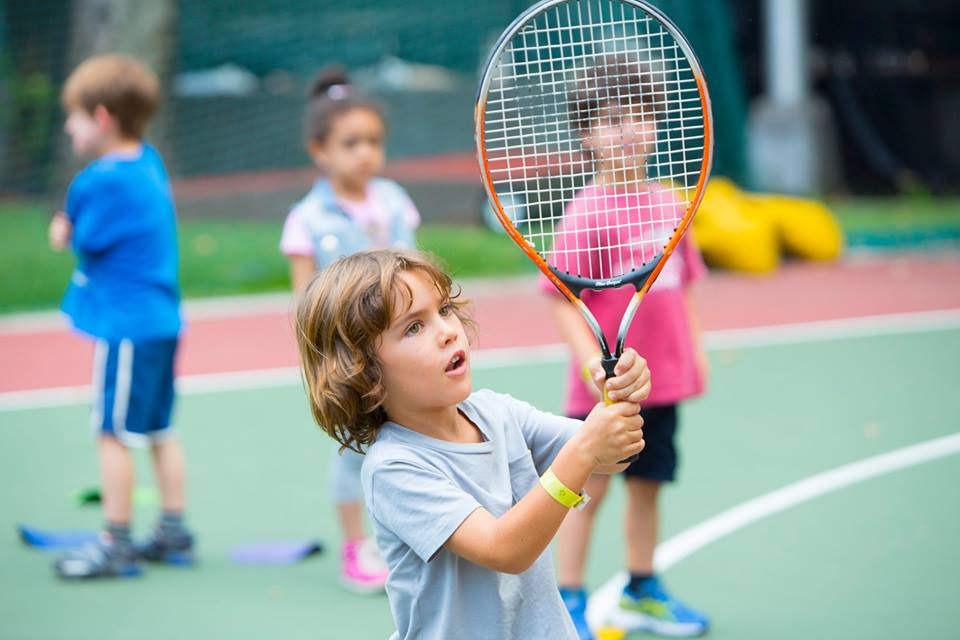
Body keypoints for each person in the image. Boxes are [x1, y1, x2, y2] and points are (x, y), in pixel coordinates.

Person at [294, 248, 650, 640]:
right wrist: (587, 448)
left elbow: (614, 457)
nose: (447, 331)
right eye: (413, 328)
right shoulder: (394, 467)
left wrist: (619, 405)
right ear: (362, 370)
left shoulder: (499, 413)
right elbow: (505, 550)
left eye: (444, 310)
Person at [544, 56, 711, 637]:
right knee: (585, 493)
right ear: (586, 133)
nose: (627, 131)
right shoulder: (586, 214)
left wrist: (694, 352)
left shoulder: (670, 203)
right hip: (606, 393)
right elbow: (563, 298)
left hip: (661, 382)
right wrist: (591, 365)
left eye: (639, 117)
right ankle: (565, 601)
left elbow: (683, 285)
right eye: (611, 120)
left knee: (649, 484)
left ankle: (642, 586)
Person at [48, 54, 193, 579]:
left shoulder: (96, 181)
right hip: (163, 323)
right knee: (159, 428)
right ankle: (174, 532)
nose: (69, 126)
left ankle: (117, 540)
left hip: (126, 327)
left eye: (75, 116)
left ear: (102, 118)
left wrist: (61, 232)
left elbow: (79, 238)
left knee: (110, 432)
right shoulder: (149, 160)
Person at [280, 66, 420, 593]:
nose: (365, 153)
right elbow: (304, 302)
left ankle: (409, 533)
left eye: (374, 142)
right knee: (354, 450)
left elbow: (416, 272)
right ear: (320, 150)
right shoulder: (306, 219)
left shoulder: (395, 201)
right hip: (349, 359)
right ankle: (355, 547)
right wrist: (324, 361)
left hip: (402, 352)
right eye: (351, 143)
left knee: (412, 439)